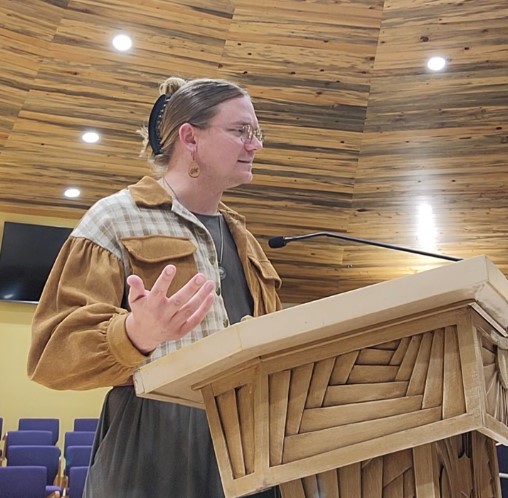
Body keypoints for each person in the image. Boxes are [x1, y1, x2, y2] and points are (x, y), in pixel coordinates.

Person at [28, 76, 282, 497]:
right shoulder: (113, 219)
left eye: (256, 133)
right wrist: (134, 335)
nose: (255, 145)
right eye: (241, 131)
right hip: (154, 441)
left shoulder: (246, 239)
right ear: (190, 138)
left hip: (251, 441)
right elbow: (51, 355)